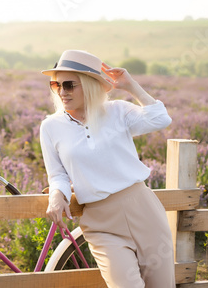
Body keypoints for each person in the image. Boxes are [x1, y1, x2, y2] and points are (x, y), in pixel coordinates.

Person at [40, 50, 175, 288]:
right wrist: (56, 196)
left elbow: (160, 119)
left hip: (143, 209)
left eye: (69, 85)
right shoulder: (51, 126)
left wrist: (131, 86)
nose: (62, 92)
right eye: (56, 84)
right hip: (101, 223)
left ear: (91, 85)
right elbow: (58, 173)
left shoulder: (118, 112)